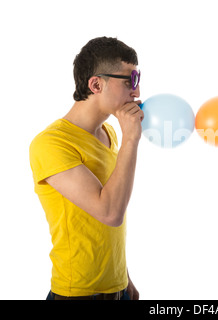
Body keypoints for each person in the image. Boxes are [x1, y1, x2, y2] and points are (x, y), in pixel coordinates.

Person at [29, 37, 143, 300]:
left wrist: (123, 277)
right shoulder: (51, 144)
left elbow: (102, 225)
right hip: (77, 294)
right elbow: (110, 212)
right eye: (130, 81)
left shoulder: (109, 133)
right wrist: (132, 139)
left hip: (118, 288)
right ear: (96, 84)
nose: (136, 92)